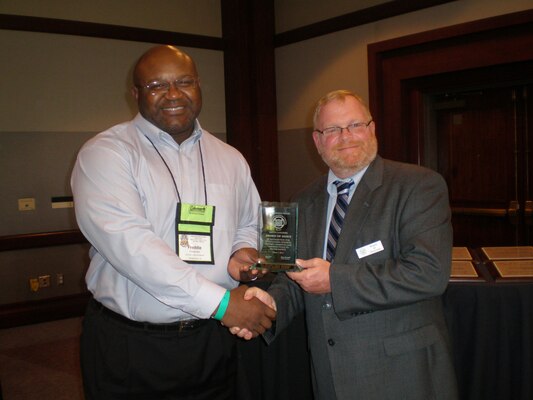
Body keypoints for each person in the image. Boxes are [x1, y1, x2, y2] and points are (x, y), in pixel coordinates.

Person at [71, 45, 275, 400]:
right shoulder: (106, 154)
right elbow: (134, 248)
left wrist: (243, 250)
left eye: (184, 82)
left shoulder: (229, 157)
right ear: (135, 94)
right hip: (134, 345)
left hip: (213, 338)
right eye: (156, 86)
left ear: (198, 86)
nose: (173, 94)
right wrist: (225, 304)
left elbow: (248, 220)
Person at [233, 90, 458, 399]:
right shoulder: (303, 200)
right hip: (331, 373)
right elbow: (295, 277)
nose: (346, 136)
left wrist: (333, 280)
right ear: (317, 140)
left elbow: (428, 273)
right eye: (333, 130)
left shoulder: (418, 185)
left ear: (372, 129)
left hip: (404, 373)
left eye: (355, 125)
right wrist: (271, 305)